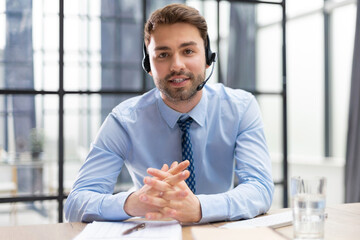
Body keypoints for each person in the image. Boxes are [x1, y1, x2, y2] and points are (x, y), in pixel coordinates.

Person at [64, 3, 274, 224]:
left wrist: (201, 208)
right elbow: (76, 203)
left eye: (188, 51)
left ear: (208, 57)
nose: (177, 65)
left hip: (218, 231)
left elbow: (260, 187)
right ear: (148, 64)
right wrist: (133, 202)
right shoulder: (123, 121)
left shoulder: (240, 108)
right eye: (163, 54)